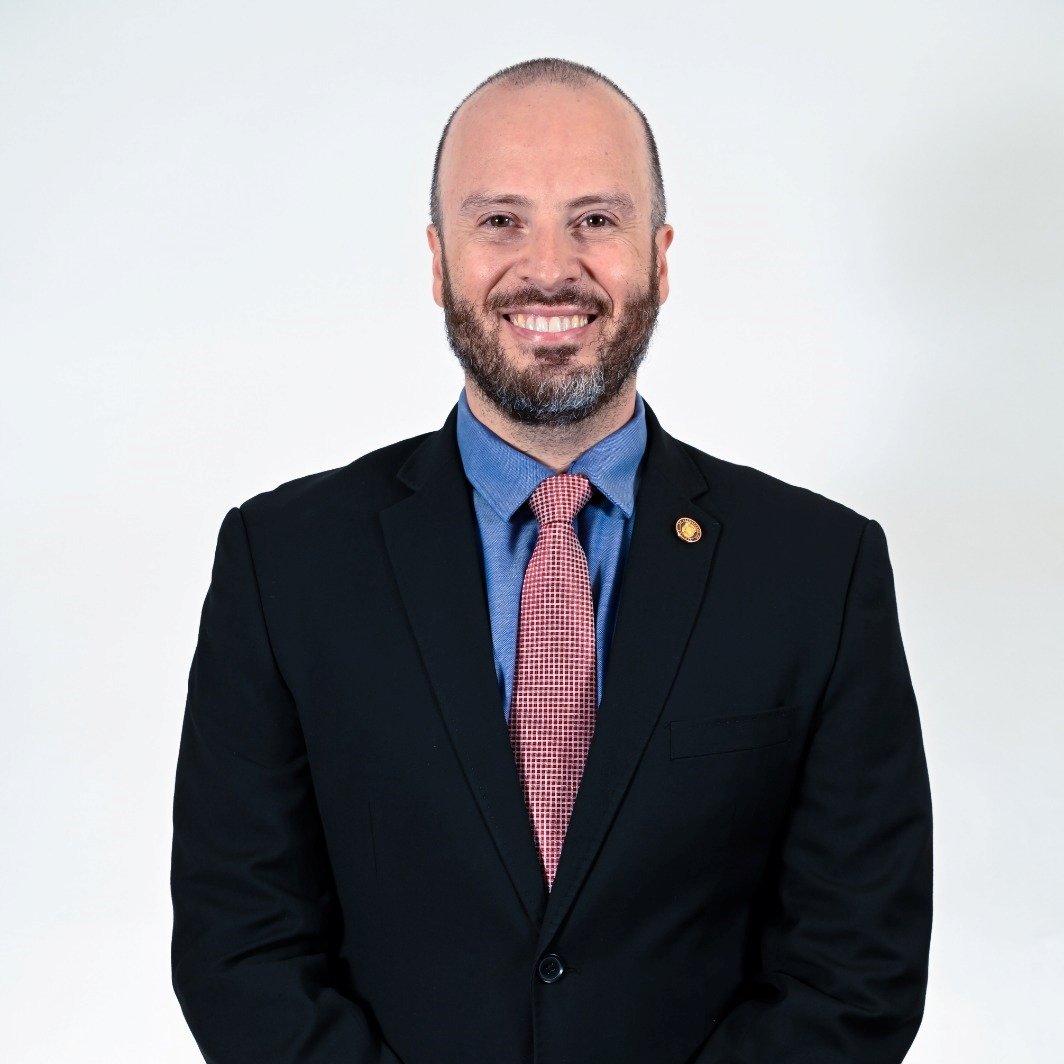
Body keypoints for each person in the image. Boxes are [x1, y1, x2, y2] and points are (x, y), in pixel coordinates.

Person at [171, 57, 933, 1064]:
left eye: (594, 219)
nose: (548, 268)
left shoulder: (817, 570)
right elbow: (241, 944)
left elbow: (857, 964)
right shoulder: (284, 563)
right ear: (437, 259)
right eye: (500, 220)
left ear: (659, 257)